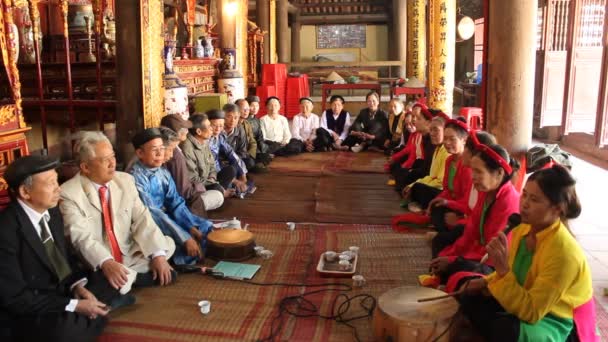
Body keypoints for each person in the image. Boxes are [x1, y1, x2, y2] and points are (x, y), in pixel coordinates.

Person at [459, 165, 599, 342]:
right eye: (524, 194)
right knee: (470, 295)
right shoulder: (523, 229)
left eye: (534, 199)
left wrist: (502, 270)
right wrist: (484, 282)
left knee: (506, 329)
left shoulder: (565, 254)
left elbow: (532, 312)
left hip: (554, 319)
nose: (524, 203)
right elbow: (516, 276)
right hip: (526, 301)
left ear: (557, 209)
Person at [0, 155, 129, 341]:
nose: (58, 188)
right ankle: (95, 315)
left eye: (57, 181)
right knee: (61, 332)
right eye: (50, 183)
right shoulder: (6, 230)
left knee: (112, 278)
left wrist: (78, 288)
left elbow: (64, 259)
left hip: (62, 289)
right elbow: (15, 298)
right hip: (34, 305)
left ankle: (88, 315)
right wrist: (73, 305)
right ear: (25, 192)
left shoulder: (52, 211)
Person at [61, 132, 177, 292]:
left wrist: (158, 256)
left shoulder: (125, 181)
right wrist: (107, 262)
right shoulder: (68, 193)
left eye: (113, 156)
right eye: (104, 160)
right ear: (85, 167)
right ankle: (132, 278)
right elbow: (81, 237)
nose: (112, 163)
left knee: (166, 244)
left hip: (128, 254)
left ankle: (130, 277)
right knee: (93, 275)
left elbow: (142, 218)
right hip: (100, 259)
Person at [429, 141, 520, 281]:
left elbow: (492, 255)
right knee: (440, 242)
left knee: (461, 273)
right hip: (478, 252)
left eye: (478, 171)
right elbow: (470, 232)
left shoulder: (508, 202)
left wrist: (455, 261)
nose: (473, 177)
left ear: (499, 173)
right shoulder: (485, 193)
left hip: (494, 264)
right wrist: (452, 256)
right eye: (472, 170)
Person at [129, 128, 213, 266]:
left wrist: (189, 225)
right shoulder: (135, 177)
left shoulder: (163, 172)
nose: (160, 153)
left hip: (168, 217)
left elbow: (176, 203)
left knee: (205, 226)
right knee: (176, 243)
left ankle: (196, 249)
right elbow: (152, 213)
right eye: (154, 149)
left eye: (162, 149)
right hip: (150, 223)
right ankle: (185, 256)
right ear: (140, 153)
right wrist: (184, 237)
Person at [428, 130, 495, 236]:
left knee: (444, 238)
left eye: (452, 139)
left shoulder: (483, 183)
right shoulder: (451, 161)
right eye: (445, 138)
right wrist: (447, 202)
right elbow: (468, 205)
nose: (447, 143)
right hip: (465, 218)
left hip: (473, 229)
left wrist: (459, 221)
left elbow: (481, 223)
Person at [160, 114, 224, 214]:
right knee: (218, 195)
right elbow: (184, 190)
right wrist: (201, 187)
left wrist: (212, 179)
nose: (187, 130)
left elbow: (212, 164)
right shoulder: (176, 154)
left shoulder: (202, 143)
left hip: (196, 185)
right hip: (182, 198)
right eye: (184, 128)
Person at [402, 116, 450, 211]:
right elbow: (431, 176)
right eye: (431, 130)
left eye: (436, 130)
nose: (432, 133)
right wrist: (413, 184)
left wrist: (415, 185)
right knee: (413, 183)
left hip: (442, 191)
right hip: (433, 186)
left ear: (445, 131)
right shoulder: (437, 149)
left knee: (419, 188)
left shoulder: (446, 152)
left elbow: (440, 183)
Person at [388, 103, 435, 193]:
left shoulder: (431, 140)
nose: (414, 120)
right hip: (419, 165)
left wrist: (407, 168)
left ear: (428, 122)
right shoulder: (417, 134)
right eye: (413, 116)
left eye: (418, 118)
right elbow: (410, 151)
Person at [182, 114, 233, 197]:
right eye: (209, 126)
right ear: (199, 131)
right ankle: (221, 193)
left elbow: (212, 165)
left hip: (209, 180)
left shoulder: (204, 141)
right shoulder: (187, 148)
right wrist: (213, 183)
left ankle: (220, 192)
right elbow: (192, 179)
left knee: (230, 170)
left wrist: (212, 178)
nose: (212, 129)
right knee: (217, 187)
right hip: (198, 186)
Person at [206, 109, 251, 195]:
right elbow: (211, 165)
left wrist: (243, 175)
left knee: (237, 168)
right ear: (207, 125)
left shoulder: (219, 136)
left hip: (218, 168)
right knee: (231, 176)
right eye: (214, 125)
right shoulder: (205, 141)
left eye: (221, 126)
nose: (218, 129)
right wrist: (235, 181)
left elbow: (231, 153)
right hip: (209, 175)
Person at [239, 97, 271, 168]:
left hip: (253, 148)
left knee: (266, 156)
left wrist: (262, 150)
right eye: (252, 106)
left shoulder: (256, 120)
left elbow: (257, 138)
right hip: (244, 151)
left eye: (257, 106)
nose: (255, 108)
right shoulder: (241, 122)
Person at [223, 103, 255, 169]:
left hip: (235, 159)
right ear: (223, 116)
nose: (233, 120)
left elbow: (242, 151)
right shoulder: (218, 129)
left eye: (236, 117)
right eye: (229, 116)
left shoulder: (240, 129)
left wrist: (233, 160)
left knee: (250, 162)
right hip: (220, 160)